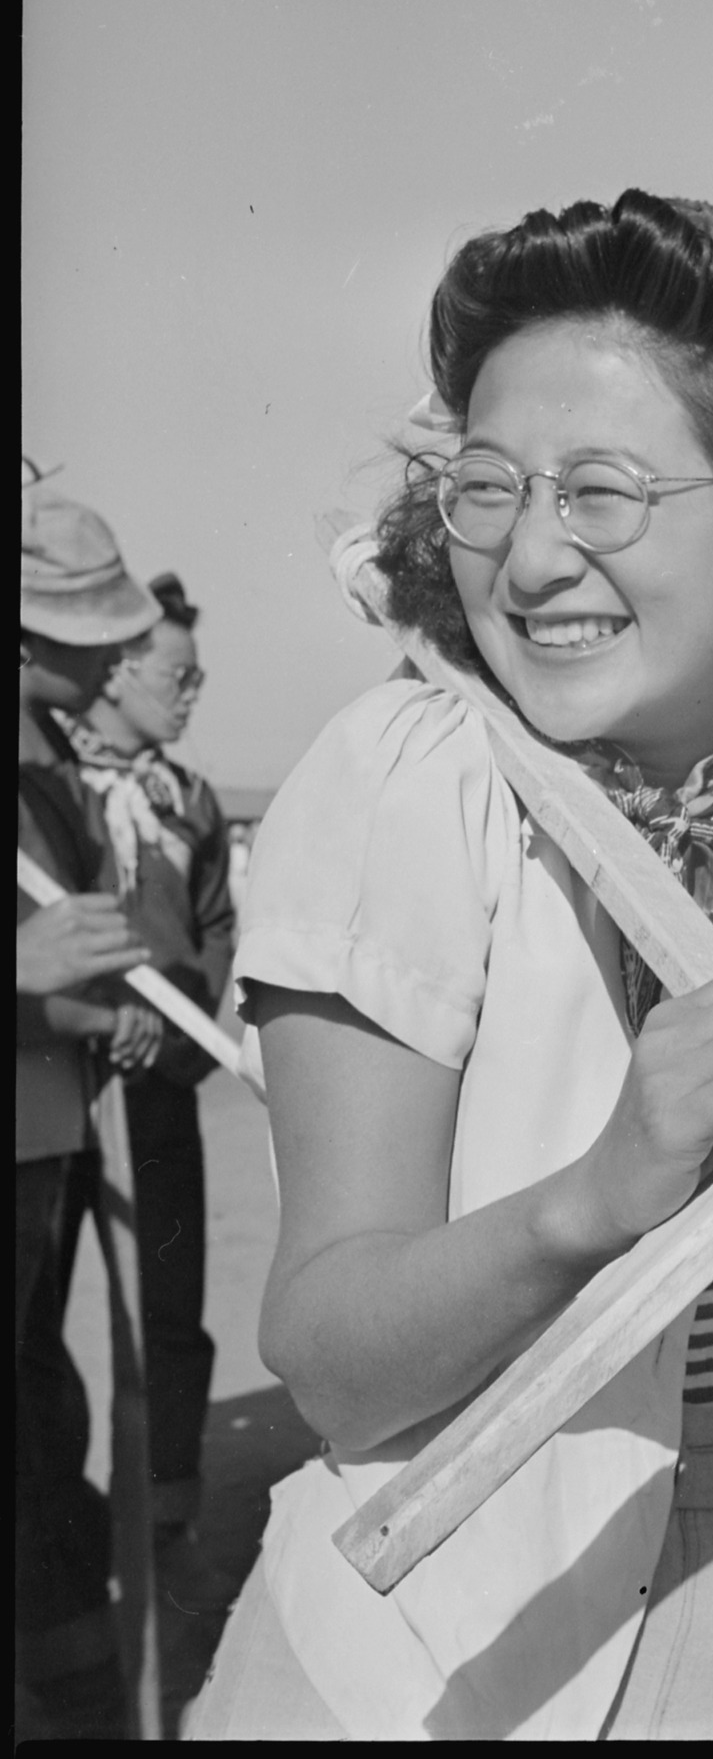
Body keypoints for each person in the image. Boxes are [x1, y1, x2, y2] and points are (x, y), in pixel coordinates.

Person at [182, 191, 713, 1739]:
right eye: (488, 488)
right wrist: (597, 1194)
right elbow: (328, 1363)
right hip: (449, 1649)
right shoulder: (415, 778)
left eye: (601, 492)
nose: (529, 560)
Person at [18, 476, 165, 1736]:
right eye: (84, 623)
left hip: (41, 1139)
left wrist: (78, 1009)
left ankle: (70, 1685)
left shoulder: (49, 768)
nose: (119, 648)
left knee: (35, 1410)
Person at [56, 572, 236, 1588]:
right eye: (179, 672)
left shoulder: (189, 799)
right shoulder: (51, 787)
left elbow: (214, 926)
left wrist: (183, 1027)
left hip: (157, 1083)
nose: (192, 690)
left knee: (166, 1303)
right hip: (55, 1085)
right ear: (116, 668)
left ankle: (166, 1509)